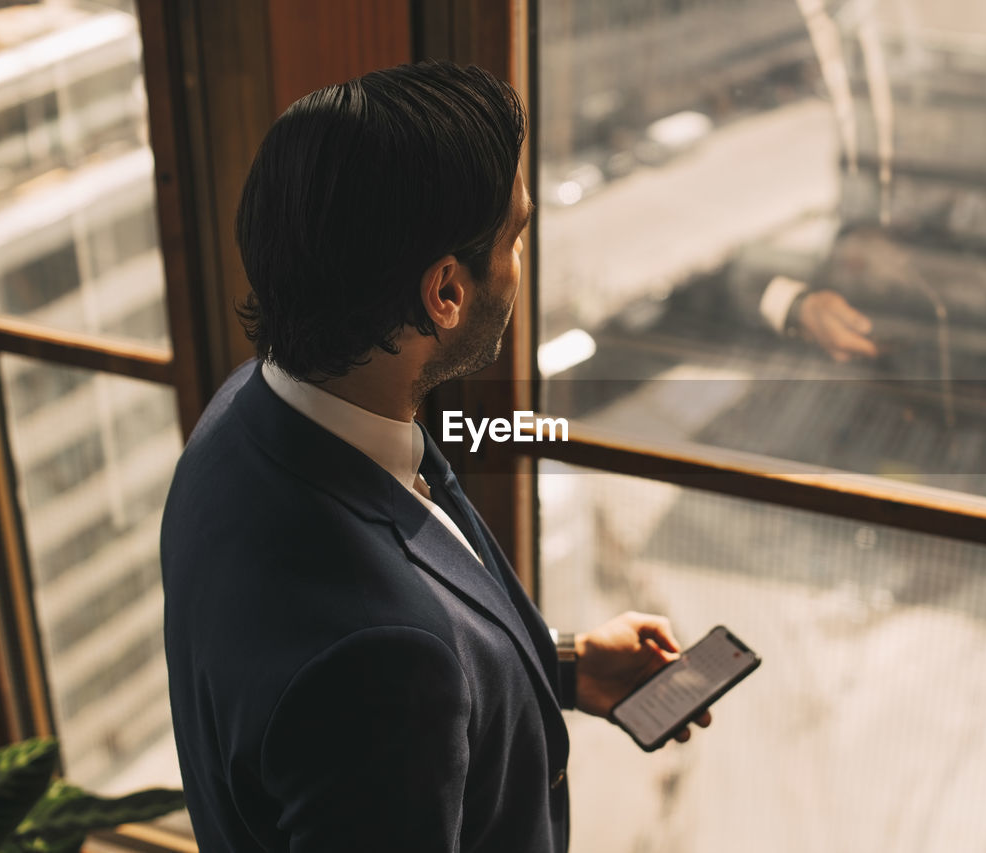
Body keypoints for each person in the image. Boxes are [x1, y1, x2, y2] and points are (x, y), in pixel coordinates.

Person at [161, 61, 708, 853]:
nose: (523, 260)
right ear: (445, 292)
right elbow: (373, 674)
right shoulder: (385, 664)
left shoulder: (242, 415)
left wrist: (559, 664)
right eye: (515, 236)